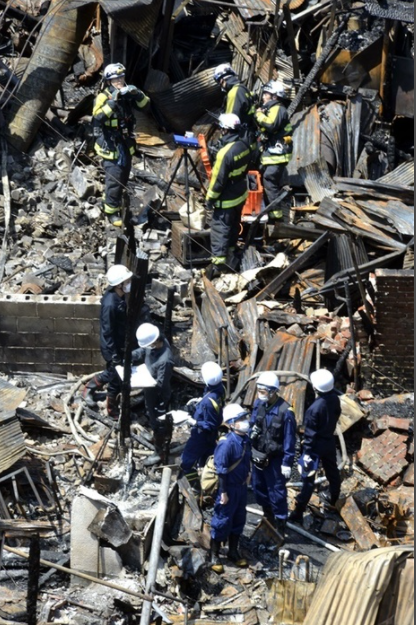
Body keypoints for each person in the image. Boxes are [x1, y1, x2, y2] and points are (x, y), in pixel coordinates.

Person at [93, 63, 150, 227]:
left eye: (121, 77)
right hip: (110, 144)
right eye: (115, 79)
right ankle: (111, 212)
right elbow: (97, 117)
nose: (119, 81)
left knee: (123, 176)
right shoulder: (104, 96)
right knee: (115, 179)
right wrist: (112, 103)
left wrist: (138, 94)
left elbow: (146, 106)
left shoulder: (128, 93)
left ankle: (110, 200)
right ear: (109, 81)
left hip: (125, 142)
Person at [290, 369, 341, 524]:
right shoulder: (335, 399)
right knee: (333, 472)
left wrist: (306, 453)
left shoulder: (314, 409)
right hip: (329, 442)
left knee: (308, 480)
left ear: (316, 388)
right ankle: (334, 501)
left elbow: (310, 435)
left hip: (315, 447)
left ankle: (298, 513)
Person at [82, 264, 133, 419]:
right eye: (127, 281)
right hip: (112, 346)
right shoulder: (110, 304)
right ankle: (110, 407)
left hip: (118, 343)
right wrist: (114, 354)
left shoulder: (118, 295)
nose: (129, 283)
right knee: (115, 375)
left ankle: (92, 390)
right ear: (119, 284)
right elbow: (107, 331)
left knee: (114, 373)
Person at [250, 372, 296, 538]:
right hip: (258, 456)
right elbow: (252, 423)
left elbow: (290, 439)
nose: (260, 393)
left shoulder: (286, 412)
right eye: (259, 390)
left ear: (273, 391)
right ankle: (267, 518)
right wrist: (251, 432)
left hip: (275, 461)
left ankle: (280, 526)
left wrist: (287, 462)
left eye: (263, 391)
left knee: (277, 493)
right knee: (258, 489)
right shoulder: (259, 405)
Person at [205, 113, 251, 279]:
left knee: (220, 229)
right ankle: (231, 253)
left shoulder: (225, 153)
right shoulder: (244, 145)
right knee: (233, 226)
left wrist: (210, 199)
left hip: (226, 199)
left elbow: (218, 181)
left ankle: (218, 265)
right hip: (240, 194)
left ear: (225, 130)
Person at [210, 403, 251, 574]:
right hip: (228, 489)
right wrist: (224, 492)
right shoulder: (226, 444)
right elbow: (221, 470)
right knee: (222, 520)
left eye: (244, 417)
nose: (245, 421)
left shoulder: (245, 440)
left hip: (241, 488)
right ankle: (214, 554)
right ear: (232, 424)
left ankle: (233, 551)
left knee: (239, 519)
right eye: (241, 419)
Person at [181, 362, 225, 493]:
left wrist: (192, 422)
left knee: (186, 463)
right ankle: (210, 485)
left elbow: (209, 425)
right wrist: (199, 402)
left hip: (201, 436)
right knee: (207, 460)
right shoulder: (220, 388)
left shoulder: (208, 403)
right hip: (210, 437)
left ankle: (196, 488)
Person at [254, 80, 293, 219]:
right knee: (265, 179)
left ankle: (276, 217)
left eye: (267, 94)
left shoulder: (277, 108)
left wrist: (258, 115)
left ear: (275, 96)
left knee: (269, 180)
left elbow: (271, 125)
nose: (263, 96)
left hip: (278, 153)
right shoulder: (272, 108)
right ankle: (270, 212)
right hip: (273, 153)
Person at [213, 64, 255, 129]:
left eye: (219, 83)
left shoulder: (233, 93)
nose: (220, 86)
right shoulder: (242, 88)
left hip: (236, 135)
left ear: (222, 80)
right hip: (247, 131)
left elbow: (231, 121)